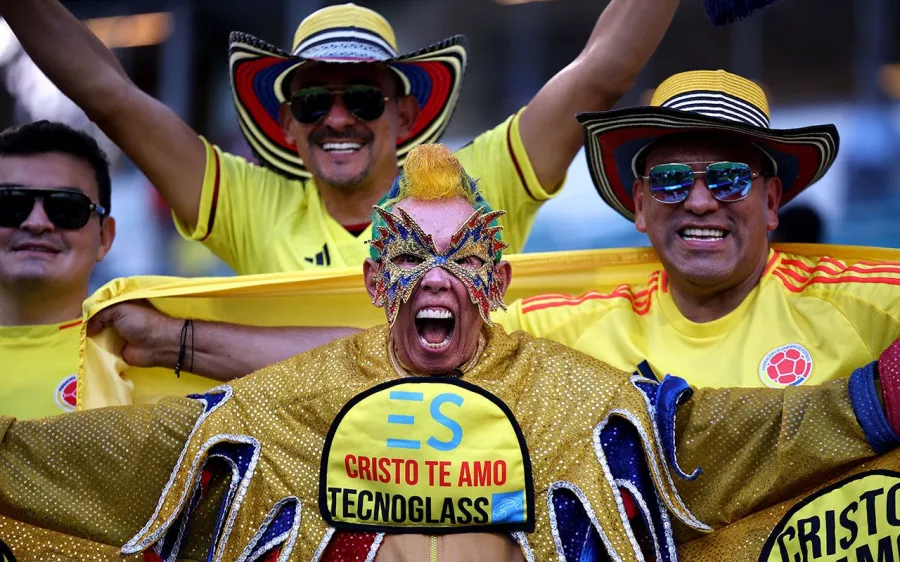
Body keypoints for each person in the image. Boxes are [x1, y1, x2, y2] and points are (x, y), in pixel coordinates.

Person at [0, 144, 897, 562]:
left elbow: (729, 438)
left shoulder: (579, 391)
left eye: (460, 257)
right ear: (378, 282)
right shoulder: (292, 399)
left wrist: (881, 400)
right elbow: (140, 456)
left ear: (497, 285)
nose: (435, 278)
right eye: (408, 257)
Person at [0, 0, 678, 274]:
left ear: (406, 120)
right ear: (287, 126)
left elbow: (600, 75)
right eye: (313, 102)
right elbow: (109, 96)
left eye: (361, 98)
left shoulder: (477, 185)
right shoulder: (248, 202)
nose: (339, 117)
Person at [496, 69, 900, 389]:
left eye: (729, 178)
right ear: (640, 205)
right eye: (671, 181)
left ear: (771, 202)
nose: (700, 202)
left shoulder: (873, 310)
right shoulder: (555, 334)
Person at [0, 120, 115, 419]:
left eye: (67, 207)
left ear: (104, 237)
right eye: (10, 203)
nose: (37, 223)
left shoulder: (141, 361)